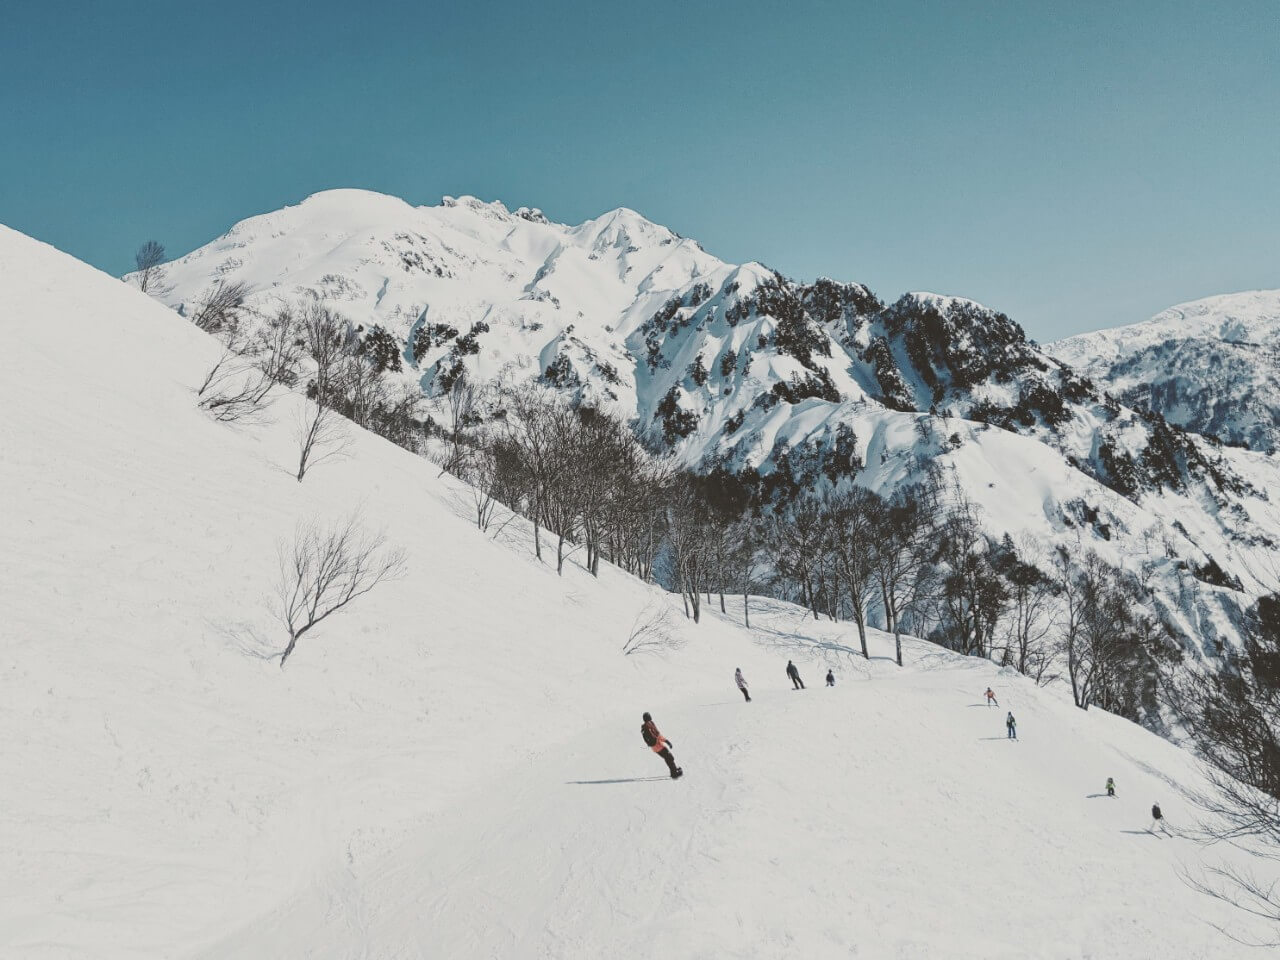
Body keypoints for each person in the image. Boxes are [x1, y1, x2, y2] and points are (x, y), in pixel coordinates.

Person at [641, 712, 682, 779]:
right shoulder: (649, 726)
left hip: (655, 747)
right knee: (669, 757)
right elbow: (658, 735)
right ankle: (674, 773)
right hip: (658, 746)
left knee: (668, 757)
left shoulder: (646, 726)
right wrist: (666, 741)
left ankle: (674, 771)